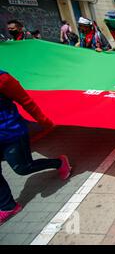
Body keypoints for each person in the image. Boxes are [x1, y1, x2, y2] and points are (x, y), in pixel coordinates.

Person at [0, 70, 72, 225]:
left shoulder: (3, 79)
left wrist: (43, 120)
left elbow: (26, 101)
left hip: (11, 133)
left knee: (23, 168)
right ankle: (8, 206)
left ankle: (59, 162)